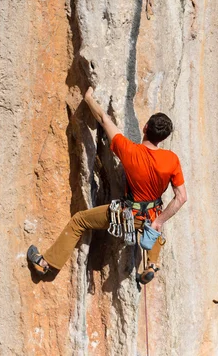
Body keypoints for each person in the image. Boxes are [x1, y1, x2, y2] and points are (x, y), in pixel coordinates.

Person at [27, 87, 187, 284]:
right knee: (154, 222)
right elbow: (181, 197)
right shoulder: (172, 159)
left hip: (126, 214)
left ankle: (46, 263)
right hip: (150, 217)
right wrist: (159, 221)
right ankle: (152, 263)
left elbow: (103, 119)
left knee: (79, 221)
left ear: (145, 127)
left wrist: (88, 97)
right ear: (164, 137)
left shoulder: (129, 151)